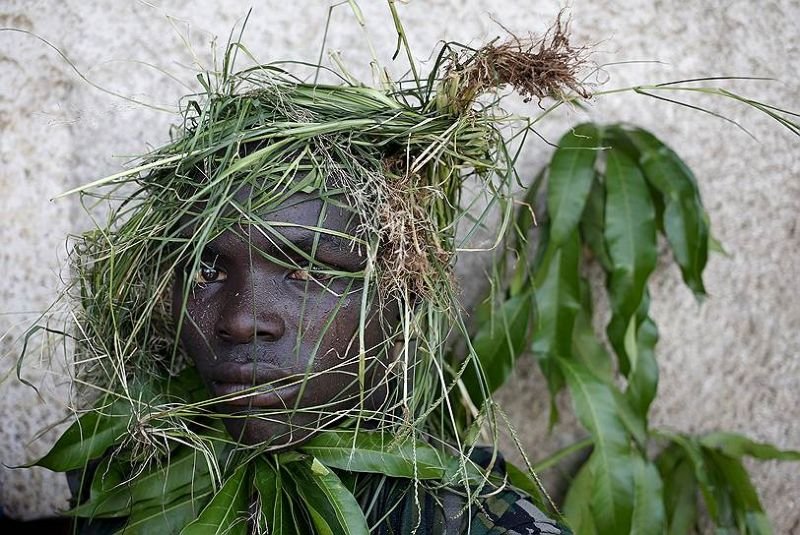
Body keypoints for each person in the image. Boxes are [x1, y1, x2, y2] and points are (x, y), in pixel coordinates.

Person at [30, 30, 581, 534]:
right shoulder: (126, 487)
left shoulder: (472, 523)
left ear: (403, 296)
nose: (240, 320)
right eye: (206, 270)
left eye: (306, 270)